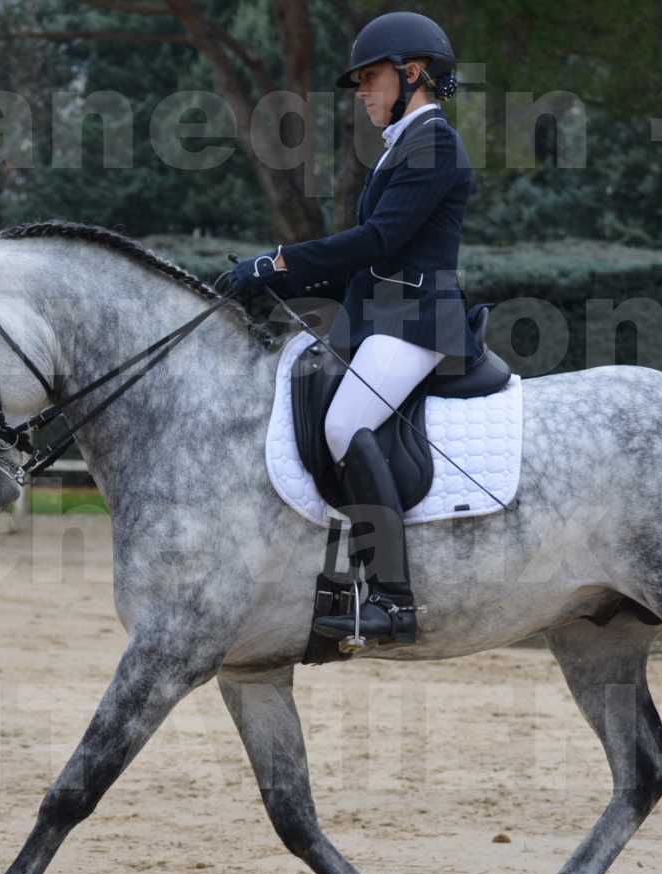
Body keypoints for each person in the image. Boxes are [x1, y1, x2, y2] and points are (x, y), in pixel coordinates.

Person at [229, 11, 478, 649]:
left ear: (412, 73)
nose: (363, 92)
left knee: (345, 425)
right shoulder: (401, 147)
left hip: (418, 321)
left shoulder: (435, 144)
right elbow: (368, 265)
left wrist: (280, 260)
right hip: (384, 316)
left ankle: (394, 602)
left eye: (371, 79)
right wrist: (275, 282)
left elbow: (379, 240)